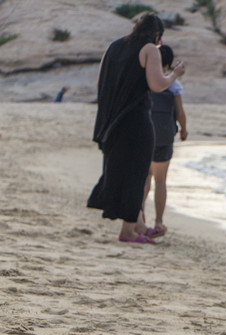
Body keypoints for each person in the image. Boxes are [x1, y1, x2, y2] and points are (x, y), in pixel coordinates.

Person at [87, 13, 186, 244]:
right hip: (136, 120)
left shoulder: (113, 46)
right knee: (137, 173)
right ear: (157, 34)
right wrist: (175, 74)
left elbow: (100, 82)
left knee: (120, 169)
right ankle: (128, 231)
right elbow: (157, 84)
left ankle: (139, 225)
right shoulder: (150, 49)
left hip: (111, 121)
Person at [143, 44, 188, 238]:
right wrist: (184, 130)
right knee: (160, 180)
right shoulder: (174, 84)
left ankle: (139, 215)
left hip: (144, 135)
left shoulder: (144, 80)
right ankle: (159, 222)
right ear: (168, 64)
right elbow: (180, 113)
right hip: (164, 137)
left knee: (144, 179)